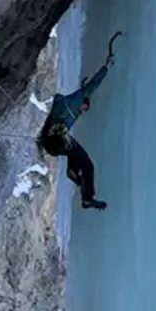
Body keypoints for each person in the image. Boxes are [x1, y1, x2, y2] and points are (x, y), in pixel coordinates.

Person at [39, 53, 114, 211]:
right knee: (87, 164)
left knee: (74, 154)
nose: (83, 111)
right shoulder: (75, 101)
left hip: (51, 143)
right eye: (85, 108)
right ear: (83, 103)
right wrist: (106, 67)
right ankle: (87, 198)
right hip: (56, 139)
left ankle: (75, 175)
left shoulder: (69, 107)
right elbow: (92, 86)